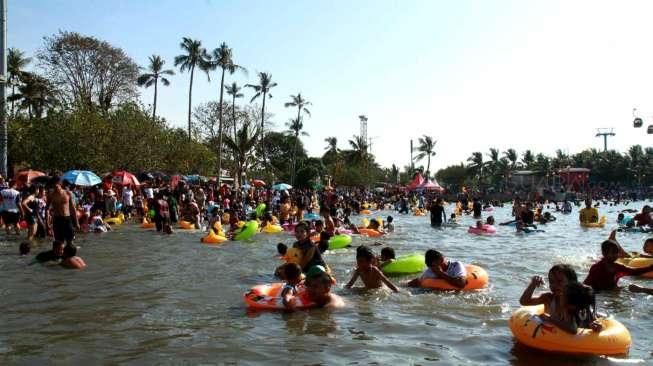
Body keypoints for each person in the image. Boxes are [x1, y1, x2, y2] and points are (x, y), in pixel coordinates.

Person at [519, 264, 584, 332]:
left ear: (572, 283)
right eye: (551, 282)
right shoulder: (548, 298)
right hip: (550, 337)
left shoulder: (574, 302)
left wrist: (549, 319)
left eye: (560, 281)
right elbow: (524, 302)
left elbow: (572, 328)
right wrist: (533, 284)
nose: (555, 285)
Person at [584, 240, 653, 291]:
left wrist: (650, 267)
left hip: (611, 291)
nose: (616, 255)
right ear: (604, 253)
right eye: (613, 253)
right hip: (600, 293)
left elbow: (634, 271)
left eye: (617, 253)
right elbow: (586, 284)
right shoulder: (596, 267)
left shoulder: (617, 266)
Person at [46, 177, 79, 248]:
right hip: (57, 220)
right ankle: (60, 257)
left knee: (70, 241)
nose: (55, 186)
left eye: (56, 184)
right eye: (53, 185)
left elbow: (73, 208)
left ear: (60, 183)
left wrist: (77, 222)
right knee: (59, 242)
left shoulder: (68, 193)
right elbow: (47, 209)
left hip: (67, 218)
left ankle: (70, 255)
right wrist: (47, 224)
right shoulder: (51, 195)